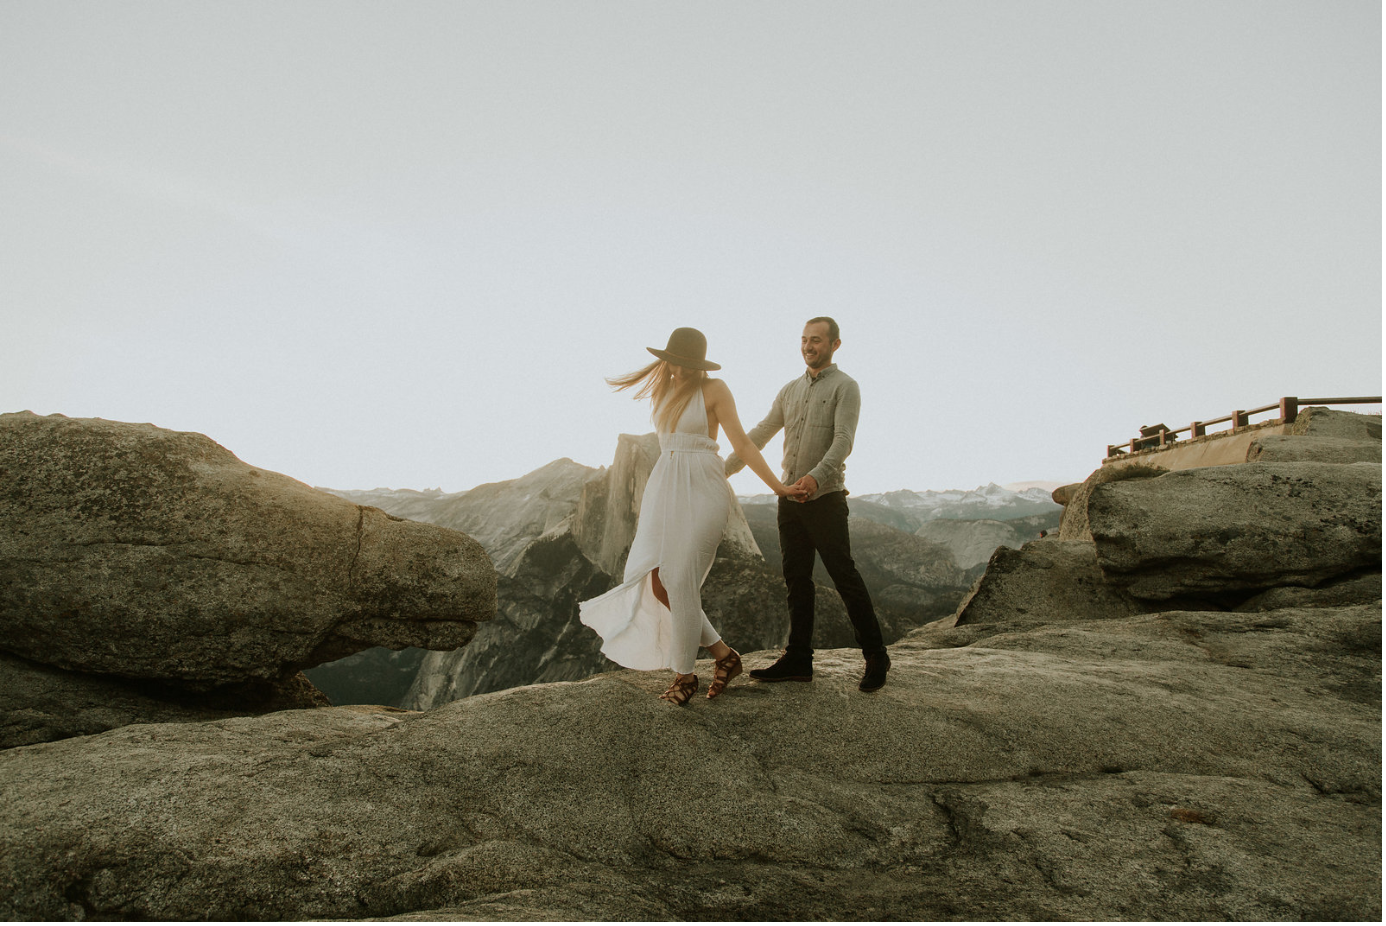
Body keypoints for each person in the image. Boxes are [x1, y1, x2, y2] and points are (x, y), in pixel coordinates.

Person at [579, 327, 805, 706]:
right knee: (655, 579)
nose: (680, 371)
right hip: (665, 488)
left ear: (700, 365)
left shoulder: (715, 390)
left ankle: (685, 676)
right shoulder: (661, 388)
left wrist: (779, 487)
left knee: (681, 578)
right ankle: (725, 657)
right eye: (675, 363)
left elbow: (743, 443)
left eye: (687, 365)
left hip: (704, 487)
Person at [724, 316, 890, 692]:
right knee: (797, 580)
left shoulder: (846, 387)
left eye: (816, 340)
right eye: (803, 340)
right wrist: (724, 470)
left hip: (825, 499)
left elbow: (844, 439)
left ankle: (877, 656)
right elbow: (760, 433)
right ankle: (798, 658)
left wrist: (816, 477)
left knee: (844, 577)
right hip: (789, 500)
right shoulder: (789, 390)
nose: (808, 346)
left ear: (835, 345)